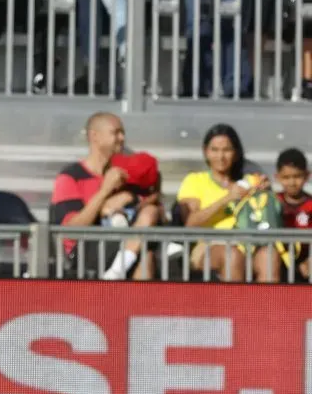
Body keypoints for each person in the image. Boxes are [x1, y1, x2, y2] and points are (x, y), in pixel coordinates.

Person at [50, 113, 161, 280]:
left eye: (122, 132)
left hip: (126, 245)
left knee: (146, 253)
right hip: (83, 252)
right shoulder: (70, 176)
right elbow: (72, 230)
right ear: (94, 136)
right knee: (143, 252)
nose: (122, 138)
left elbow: (153, 212)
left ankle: (138, 304)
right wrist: (105, 191)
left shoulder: (128, 174)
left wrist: (131, 197)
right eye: (115, 132)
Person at [176, 124, 277, 282]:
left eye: (227, 150)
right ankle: (233, 305)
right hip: (209, 245)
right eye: (214, 150)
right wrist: (227, 198)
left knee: (269, 256)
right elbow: (191, 222)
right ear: (206, 152)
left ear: (236, 153)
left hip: (247, 243)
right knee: (232, 253)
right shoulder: (195, 180)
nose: (221, 156)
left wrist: (264, 192)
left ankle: (264, 306)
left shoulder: (248, 181)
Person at [276, 147, 312, 278]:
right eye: (286, 177)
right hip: (278, 263)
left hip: (306, 264)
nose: (292, 182)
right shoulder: (273, 202)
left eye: (297, 176)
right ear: (277, 177)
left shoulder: (310, 205)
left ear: (307, 176)